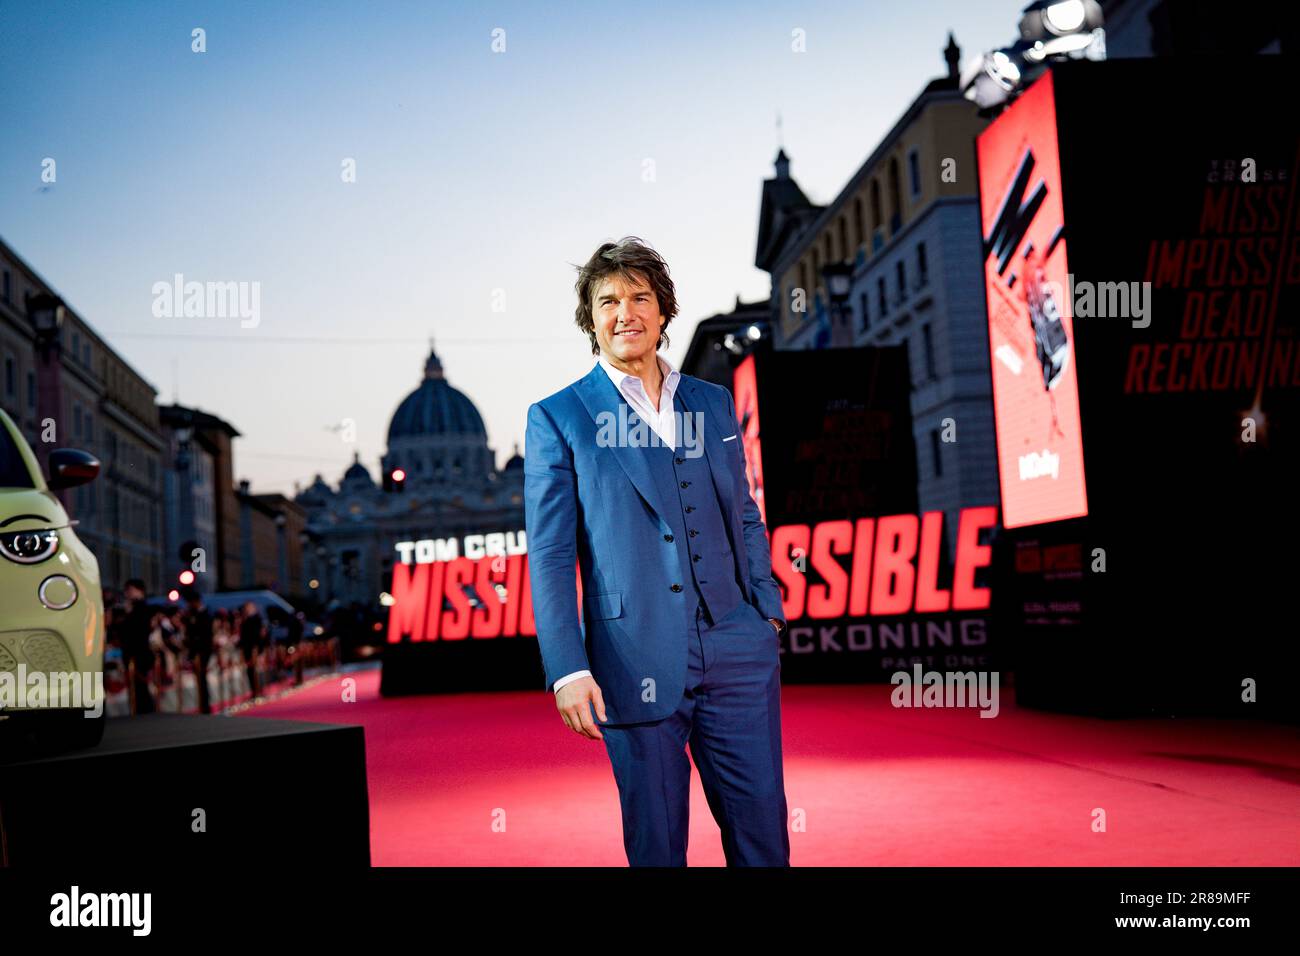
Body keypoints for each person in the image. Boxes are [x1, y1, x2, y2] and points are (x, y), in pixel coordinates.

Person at [524, 237, 790, 866]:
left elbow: (744, 512)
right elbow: (553, 555)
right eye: (608, 300)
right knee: (658, 848)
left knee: (765, 839)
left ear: (663, 311)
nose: (626, 312)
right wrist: (567, 666)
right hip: (630, 656)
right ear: (591, 319)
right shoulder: (558, 417)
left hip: (737, 648)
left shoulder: (711, 401)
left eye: (640, 296)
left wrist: (765, 609)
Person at [114, 579, 157, 714]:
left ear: (140, 591)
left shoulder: (142, 609)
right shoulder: (129, 609)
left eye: (130, 590)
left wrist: (128, 614)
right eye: (126, 590)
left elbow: (137, 631)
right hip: (131, 654)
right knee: (137, 690)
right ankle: (141, 711)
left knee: (141, 689)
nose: (127, 593)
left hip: (140, 654)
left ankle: (145, 712)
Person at [181, 588, 215, 714]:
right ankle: (203, 704)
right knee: (200, 679)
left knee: (202, 678)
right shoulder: (192, 614)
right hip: (195, 651)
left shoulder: (205, 614)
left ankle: (205, 705)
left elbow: (205, 635)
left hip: (203, 651)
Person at [238, 602, 264, 699]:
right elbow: (243, 637)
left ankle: (259, 690)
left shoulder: (256, 619)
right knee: (250, 670)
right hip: (247, 648)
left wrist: (256, 649)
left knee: (257, 669)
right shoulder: (244, 620)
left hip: (255, 648)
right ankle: (254, 690)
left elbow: (257, 635)